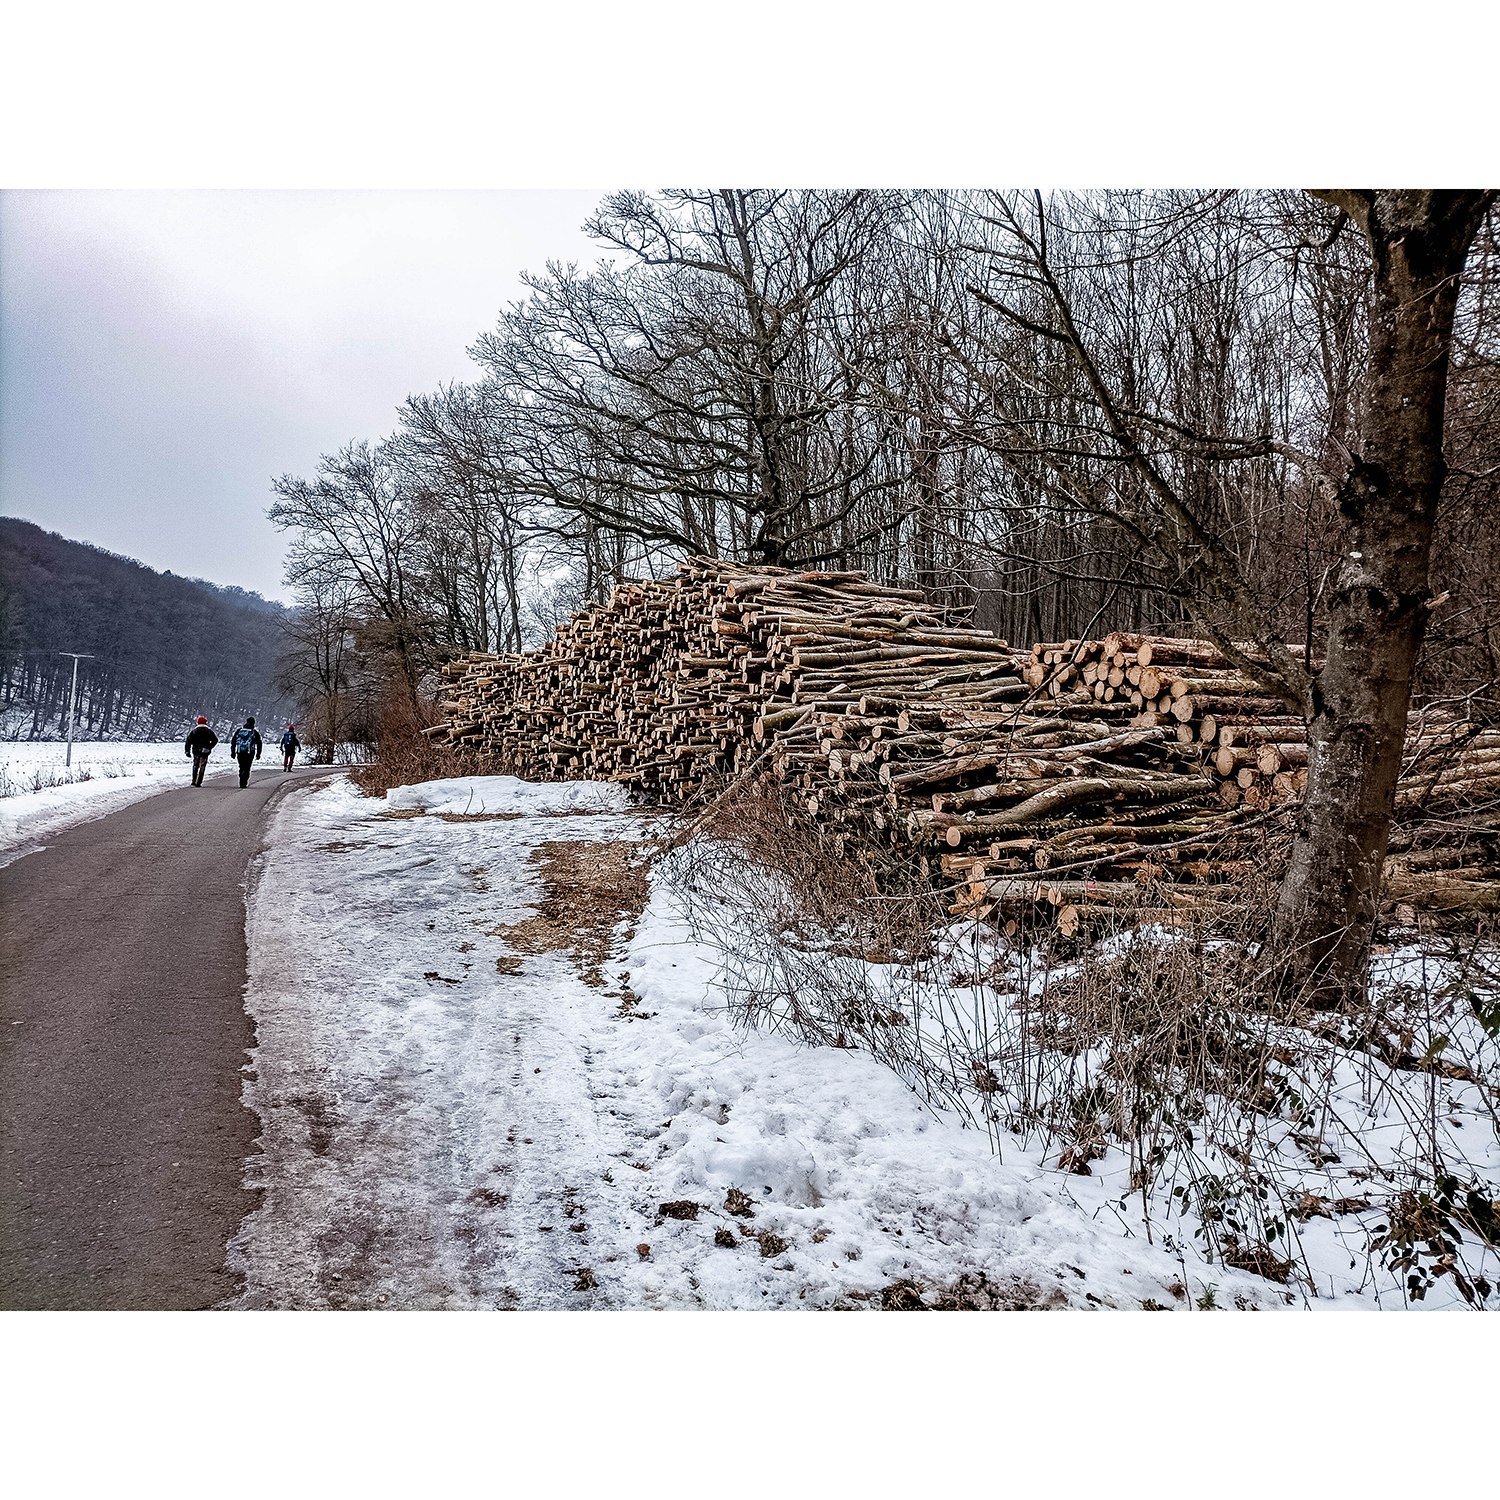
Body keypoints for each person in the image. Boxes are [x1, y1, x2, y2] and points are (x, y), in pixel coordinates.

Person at [184, 716, 218, 787]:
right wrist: (209, 747)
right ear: (206, 723)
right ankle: (198, 782)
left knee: (195, 765)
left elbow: (188, 741)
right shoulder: (209, 731)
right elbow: (215, 740)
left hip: (196, 750)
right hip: (205, 751)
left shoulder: (194, 731)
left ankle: (193, 780)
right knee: (202, 766)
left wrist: (187, 751)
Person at [230, 717, 263, 788]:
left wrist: (233, 751)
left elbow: (233, 741)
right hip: (250, 752)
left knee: (241, 766)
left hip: (240, 751)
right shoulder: (254, 732)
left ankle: (241, 775)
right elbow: (259, 743)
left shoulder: (239, 731)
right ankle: (244, 782)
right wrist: (258, 753)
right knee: (247, 767)